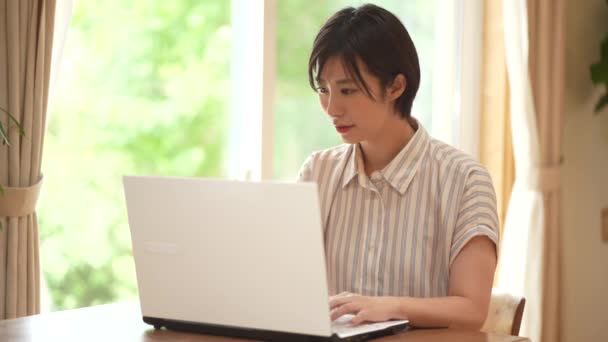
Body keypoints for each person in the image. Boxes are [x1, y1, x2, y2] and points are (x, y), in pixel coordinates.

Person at [297, 4, 499, 330]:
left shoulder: (465, 181)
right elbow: (291, 285)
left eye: (347, 90)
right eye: (324, 90)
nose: (332, 108)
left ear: (396, 87)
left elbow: (471, 310)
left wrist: (391, 306)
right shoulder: (317, 173)